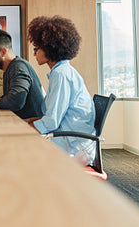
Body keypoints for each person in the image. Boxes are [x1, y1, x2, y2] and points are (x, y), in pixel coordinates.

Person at [26, 15, 96, 166]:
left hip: (74, 149)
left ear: (50, 48)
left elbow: (51, 121)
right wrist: (31, 122)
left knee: (18, 149)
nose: (34, 54)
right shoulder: (61, 72)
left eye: (36, 49)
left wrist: (26, 129)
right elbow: (54, 116)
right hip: (68, 139)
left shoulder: (61, 74)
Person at [0, 29, 44, 119]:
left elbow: (16, 101)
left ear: (3, 52)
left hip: (30, 129)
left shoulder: (18, 68)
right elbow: (11, 98)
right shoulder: (11, 67)